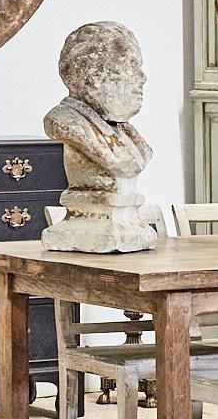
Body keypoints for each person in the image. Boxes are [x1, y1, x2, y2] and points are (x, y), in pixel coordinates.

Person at [42, 21, 157, 253]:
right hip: (95, 230)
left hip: (122, 225)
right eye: (131, 65)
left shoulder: (123, 130)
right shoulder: (67, 122)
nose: (142, 77)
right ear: (93, 73)